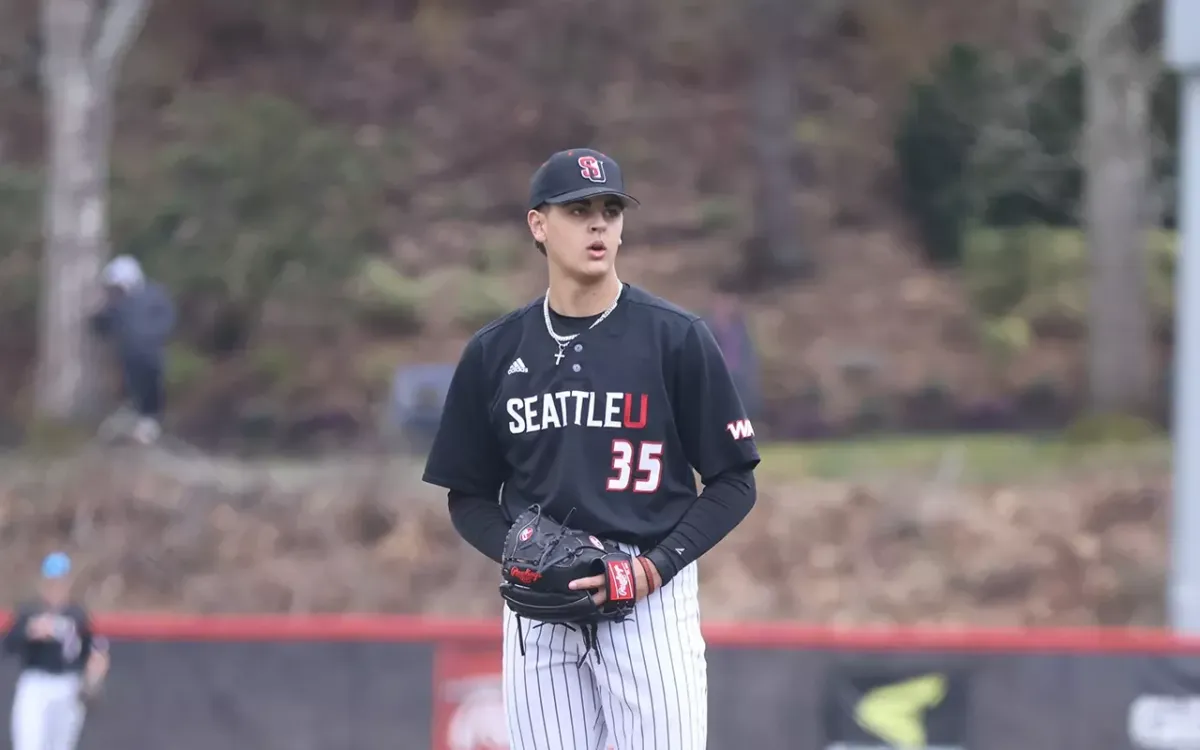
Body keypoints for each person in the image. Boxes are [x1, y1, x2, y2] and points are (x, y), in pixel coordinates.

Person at [423, 148, 760, 750]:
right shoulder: (496, 351)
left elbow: (735, 481)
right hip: (540, 608)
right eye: (578, 210)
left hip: (650, 593)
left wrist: (653, 569)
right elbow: (467, 495)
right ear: (538, 224)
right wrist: (520, 553)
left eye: (610, 209)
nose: (599, 224)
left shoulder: (675, 337)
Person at [3, 553, 110, 750]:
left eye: (61, 582)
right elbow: (8, 645)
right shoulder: (30, 611)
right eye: (51, 582)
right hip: (36, 683)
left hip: (68, 684)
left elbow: (95, 651)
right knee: (28, 743)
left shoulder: (77, 615)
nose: (56, 588)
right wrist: (30, 631)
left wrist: (94, 675)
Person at [91, 254, 176, 445]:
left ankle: (147, 426)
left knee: (148, 389)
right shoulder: (122, 303)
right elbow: (104, 323)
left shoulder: (150, 296)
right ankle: (136, 424)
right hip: (131, 357)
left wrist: (152, 336)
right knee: (133, 389)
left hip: (149, 355)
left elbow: (167, 320)